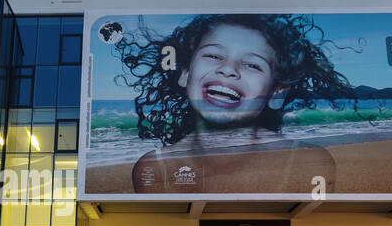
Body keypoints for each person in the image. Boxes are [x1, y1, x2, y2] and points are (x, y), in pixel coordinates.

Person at [114, 14, 356, 194]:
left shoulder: (310, 162)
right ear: (185, 73)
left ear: (276, 92)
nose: (228, 70)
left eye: (252, 64)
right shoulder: (156, 168)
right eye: (213, 56)